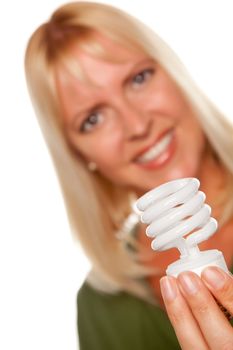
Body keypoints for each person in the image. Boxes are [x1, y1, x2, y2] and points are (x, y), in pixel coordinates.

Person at [24, 2, 233, 349]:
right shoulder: (104, 311)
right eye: (93, 118)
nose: (137, 125)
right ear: (78, 153)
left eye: (139, 78)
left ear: (172, 70)